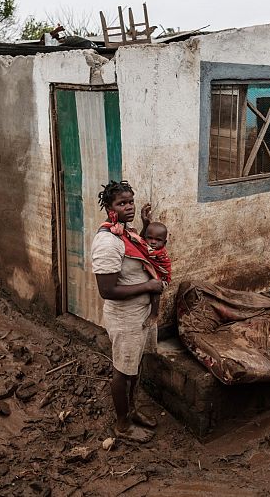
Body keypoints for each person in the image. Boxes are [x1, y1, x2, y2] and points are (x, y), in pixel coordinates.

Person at [91, 180, 163, 443]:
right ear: (109, 208)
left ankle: (132, 410)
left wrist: (144, 225)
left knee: (136, 364)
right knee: (122, 370)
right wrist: (150, 285)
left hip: (140, 314)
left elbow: (136, 254)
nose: (129, 207)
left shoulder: (126, 232)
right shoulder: (107, 242)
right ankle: (122, 424)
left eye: (130, 201)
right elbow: (107, 290)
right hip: (125, 317)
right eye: (122, 203)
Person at [142, 220, 171, 327]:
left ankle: (154, 313)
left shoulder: (157, 252)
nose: (153, 242)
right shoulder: (152, 248)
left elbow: (141, 251)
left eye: (158, 240)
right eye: (150, 238)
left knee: (155, 290)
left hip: (163, 278)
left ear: (164, 243)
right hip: (156, 273)